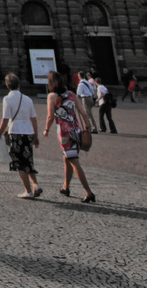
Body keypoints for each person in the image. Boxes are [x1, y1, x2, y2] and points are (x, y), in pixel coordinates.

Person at [43, 72, 96, 202]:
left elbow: (50, 117)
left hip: (65, 133)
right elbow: (83, 113)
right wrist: (87, 127)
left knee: (74, 161)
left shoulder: (52, 96)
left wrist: (46, 130)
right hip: (76, 130)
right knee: (67, 159)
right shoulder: (71, 95)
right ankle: (65, 187)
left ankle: (89, 193)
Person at [0, 73, 41, 198]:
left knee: (19, 163)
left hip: (16, 132)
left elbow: (5, 119)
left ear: (7, 86)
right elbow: (34, 119)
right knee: (28, 159)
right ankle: (36, 185)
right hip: (28, 132)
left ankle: (28, 191)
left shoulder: (7, 99)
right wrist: (36, 135)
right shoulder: (28, 99)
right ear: (19, 85)